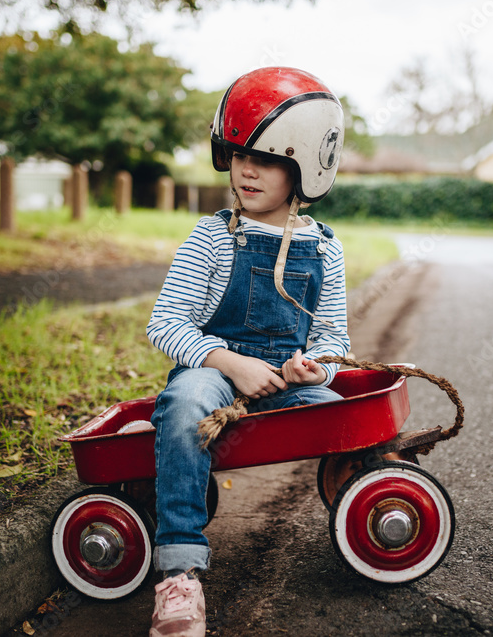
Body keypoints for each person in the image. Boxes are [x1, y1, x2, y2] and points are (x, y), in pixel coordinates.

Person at [144, 67, 350, 637]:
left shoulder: (324, 249)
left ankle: (365, 504)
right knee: (184, 404)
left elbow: (334, 340)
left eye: (270, 158)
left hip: (285, 382)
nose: (248, 169)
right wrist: (228, 363)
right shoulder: (212, 237)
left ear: (307, 168)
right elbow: (165, 324)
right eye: (238, 154)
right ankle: (179, 573)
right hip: (214, 374)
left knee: (344, 409)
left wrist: (314, 365)